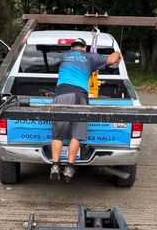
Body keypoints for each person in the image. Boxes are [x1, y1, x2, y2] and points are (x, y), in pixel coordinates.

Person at [49, 31, 122, 181]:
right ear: (84, 48)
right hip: (80, 95)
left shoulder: (65, 56)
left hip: (61, 94)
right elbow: (113, 59)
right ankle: (69, 167)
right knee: (77, 133)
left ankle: (55, 165)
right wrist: (118, 51)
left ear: (72, 47)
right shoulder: (90, 57)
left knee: (58, 134)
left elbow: (50, 62)